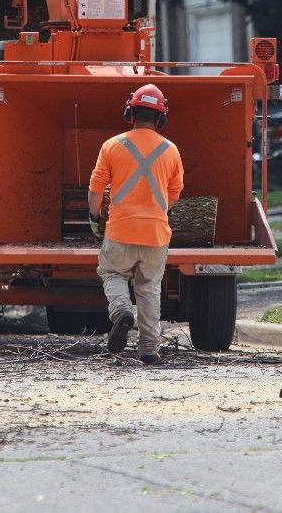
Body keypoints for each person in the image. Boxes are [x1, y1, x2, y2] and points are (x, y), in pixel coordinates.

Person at [88, 83, 184, 365]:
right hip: (156, 234)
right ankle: (148, 349)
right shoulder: (171, 150)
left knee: (112, 273)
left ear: (130, 112)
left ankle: (120, 311)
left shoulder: (111, 146)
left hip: (120, 230)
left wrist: (95, 217)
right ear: (161, 117)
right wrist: (156, 211)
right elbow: (174, 194)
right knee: (149, 288)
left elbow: (96, 191)